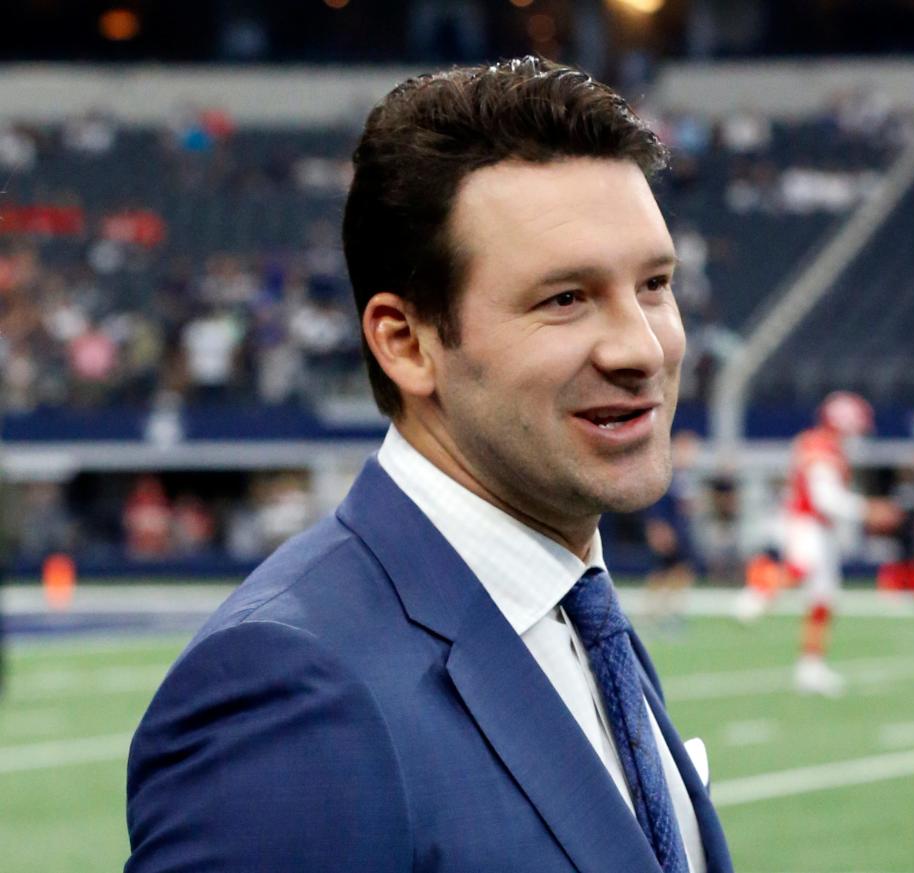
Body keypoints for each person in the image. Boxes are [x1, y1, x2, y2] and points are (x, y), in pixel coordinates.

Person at [126, 58, 732, 873]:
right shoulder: (292, 690)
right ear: (406, 343)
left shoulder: (576, 605)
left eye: (654, 284)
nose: (642, 346)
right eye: (565, 299)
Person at [735, 391, 898, 696]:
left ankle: (810, 666)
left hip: (813, 525)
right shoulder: (821, 449)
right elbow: (826, 500)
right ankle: (759, 588)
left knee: (824, 597)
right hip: (805, 522)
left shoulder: (820, 445)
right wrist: (867, 510)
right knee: (801, 570)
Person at [643, 430, 702, 633]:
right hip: (669, 531)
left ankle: (672, 613)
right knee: (661, 574)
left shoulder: (687, 476)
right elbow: (656, 503)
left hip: (682, 530)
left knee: (682, 572)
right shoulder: (667, 473)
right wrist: (658, 528)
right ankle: (653, 614)